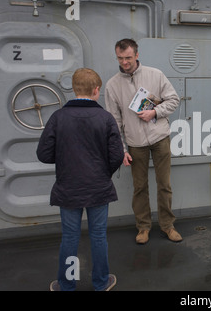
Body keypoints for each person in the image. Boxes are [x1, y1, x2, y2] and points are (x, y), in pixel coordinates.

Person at [37, 68, 124, 291]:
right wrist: (103, 174)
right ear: (97, 90)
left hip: (68, 188)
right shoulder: (105, 118)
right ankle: (101, 282)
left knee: (69, 238)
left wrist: (66, 161)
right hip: (98, 187)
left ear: (74, 89)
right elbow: (116, 156)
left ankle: (67, 284)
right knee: (98, 237)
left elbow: (44, 154)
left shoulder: (58, 117)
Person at [105, 38, 181, 244]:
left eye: (128, 57)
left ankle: (167, 226)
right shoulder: (112, 85)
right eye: (120, 58)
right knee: (139, 187)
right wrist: (122, 149)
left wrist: (154, 112)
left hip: (160, 138)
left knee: (164, 184)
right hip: (135, 143)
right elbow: (114, 122)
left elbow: (174, 100)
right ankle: (143, 228)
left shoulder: (155, 75)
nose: (124, 62)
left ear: (137, 55)